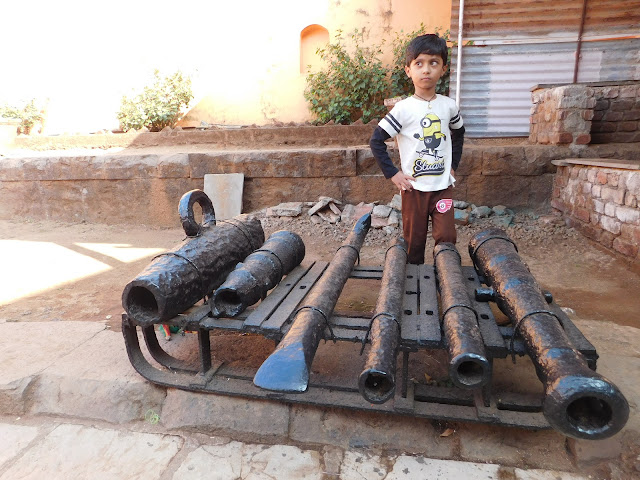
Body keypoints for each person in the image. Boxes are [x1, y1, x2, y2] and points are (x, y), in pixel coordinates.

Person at [370, 33, 465, 264]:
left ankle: (445, 279)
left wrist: (453, 165)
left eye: (434, 63)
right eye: (419, 63)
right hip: (414, 189)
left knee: (447, 237)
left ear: (443, 69)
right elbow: (376, 140)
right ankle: (413, 283)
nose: (426, 70)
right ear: (408, 70)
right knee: (414, 240)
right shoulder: (403, 109)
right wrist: (393, 174)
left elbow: (459, 133)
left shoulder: (449, 106)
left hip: (442, 187)